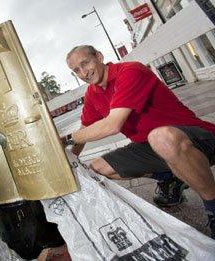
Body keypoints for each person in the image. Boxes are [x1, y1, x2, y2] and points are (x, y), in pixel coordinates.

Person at [65, 45, 215, 239]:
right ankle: (169, 177)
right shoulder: (93, 93)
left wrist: (67, 138)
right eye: (76, 70)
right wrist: (70, 160)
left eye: (85, 63)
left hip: (195, 138)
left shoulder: (130, 71)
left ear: (99, 57)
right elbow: (84, 131)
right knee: (96, 169)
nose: (83, 72)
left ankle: (212, 206)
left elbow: (112, 125)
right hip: (153, 147)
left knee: (160, 138)